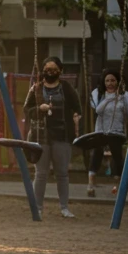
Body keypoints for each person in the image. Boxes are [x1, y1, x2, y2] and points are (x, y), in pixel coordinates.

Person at [22, 55, 82, 218]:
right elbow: (27, 111)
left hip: (62, 134)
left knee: (62, 173)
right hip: (41, 135)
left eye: (54, 69)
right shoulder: (36, 89)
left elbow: (77, 107)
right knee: (41, 173)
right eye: (47, 70)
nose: (51, 72)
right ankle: (38, 208)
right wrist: (39, 108)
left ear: (60, 71)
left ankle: (64, 207)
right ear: (43, 71)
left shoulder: (67, 88)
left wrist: (77, 116)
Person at [87, 69, 128, 197]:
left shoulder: (125, 95)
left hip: (116, 131)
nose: (110, 83)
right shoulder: (98, 94)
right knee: (97, 154)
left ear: (118, 81)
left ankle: (119, 185)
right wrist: (110, 99)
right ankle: (91, 185)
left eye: (113, 80)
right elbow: (97, 110)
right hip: (101, 130)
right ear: (103, 82)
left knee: (117, 157)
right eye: (107, 80)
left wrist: (122, 98)